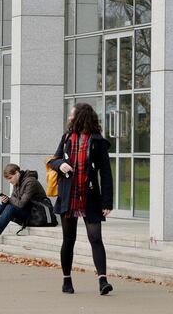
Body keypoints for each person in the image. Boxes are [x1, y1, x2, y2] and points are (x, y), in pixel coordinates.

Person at [49, 103, 114, 296]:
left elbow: (106, 173)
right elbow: (53, 160)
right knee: (69, 240)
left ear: (80, 117)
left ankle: (103, 280)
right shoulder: (67, 137)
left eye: (72, 114)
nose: (69, 117)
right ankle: (66, 280)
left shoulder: (97, 141)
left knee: (95, 238)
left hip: (90, 197)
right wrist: (61, 165)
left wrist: (107, 202)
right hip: (68, 196)